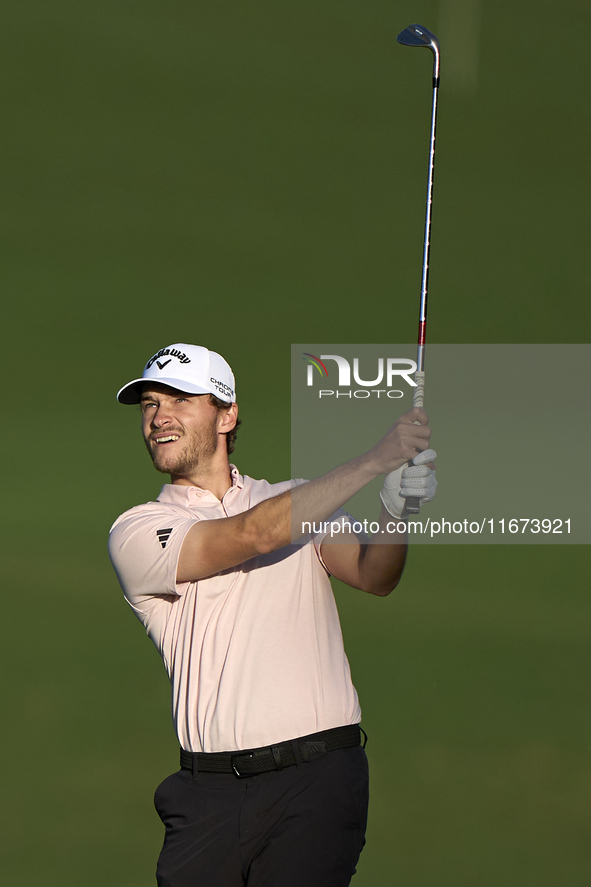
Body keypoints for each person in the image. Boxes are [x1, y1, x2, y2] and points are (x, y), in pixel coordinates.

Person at [108, 342, 437, 887]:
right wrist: (375, 459)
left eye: (179, 399)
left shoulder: (299, 500)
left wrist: (394, 506)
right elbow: (254, 534)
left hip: (318, 779)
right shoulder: (138, 530)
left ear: (226, 413)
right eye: (149, 404)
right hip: (208, 793)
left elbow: (376, 576)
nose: (159, 417)